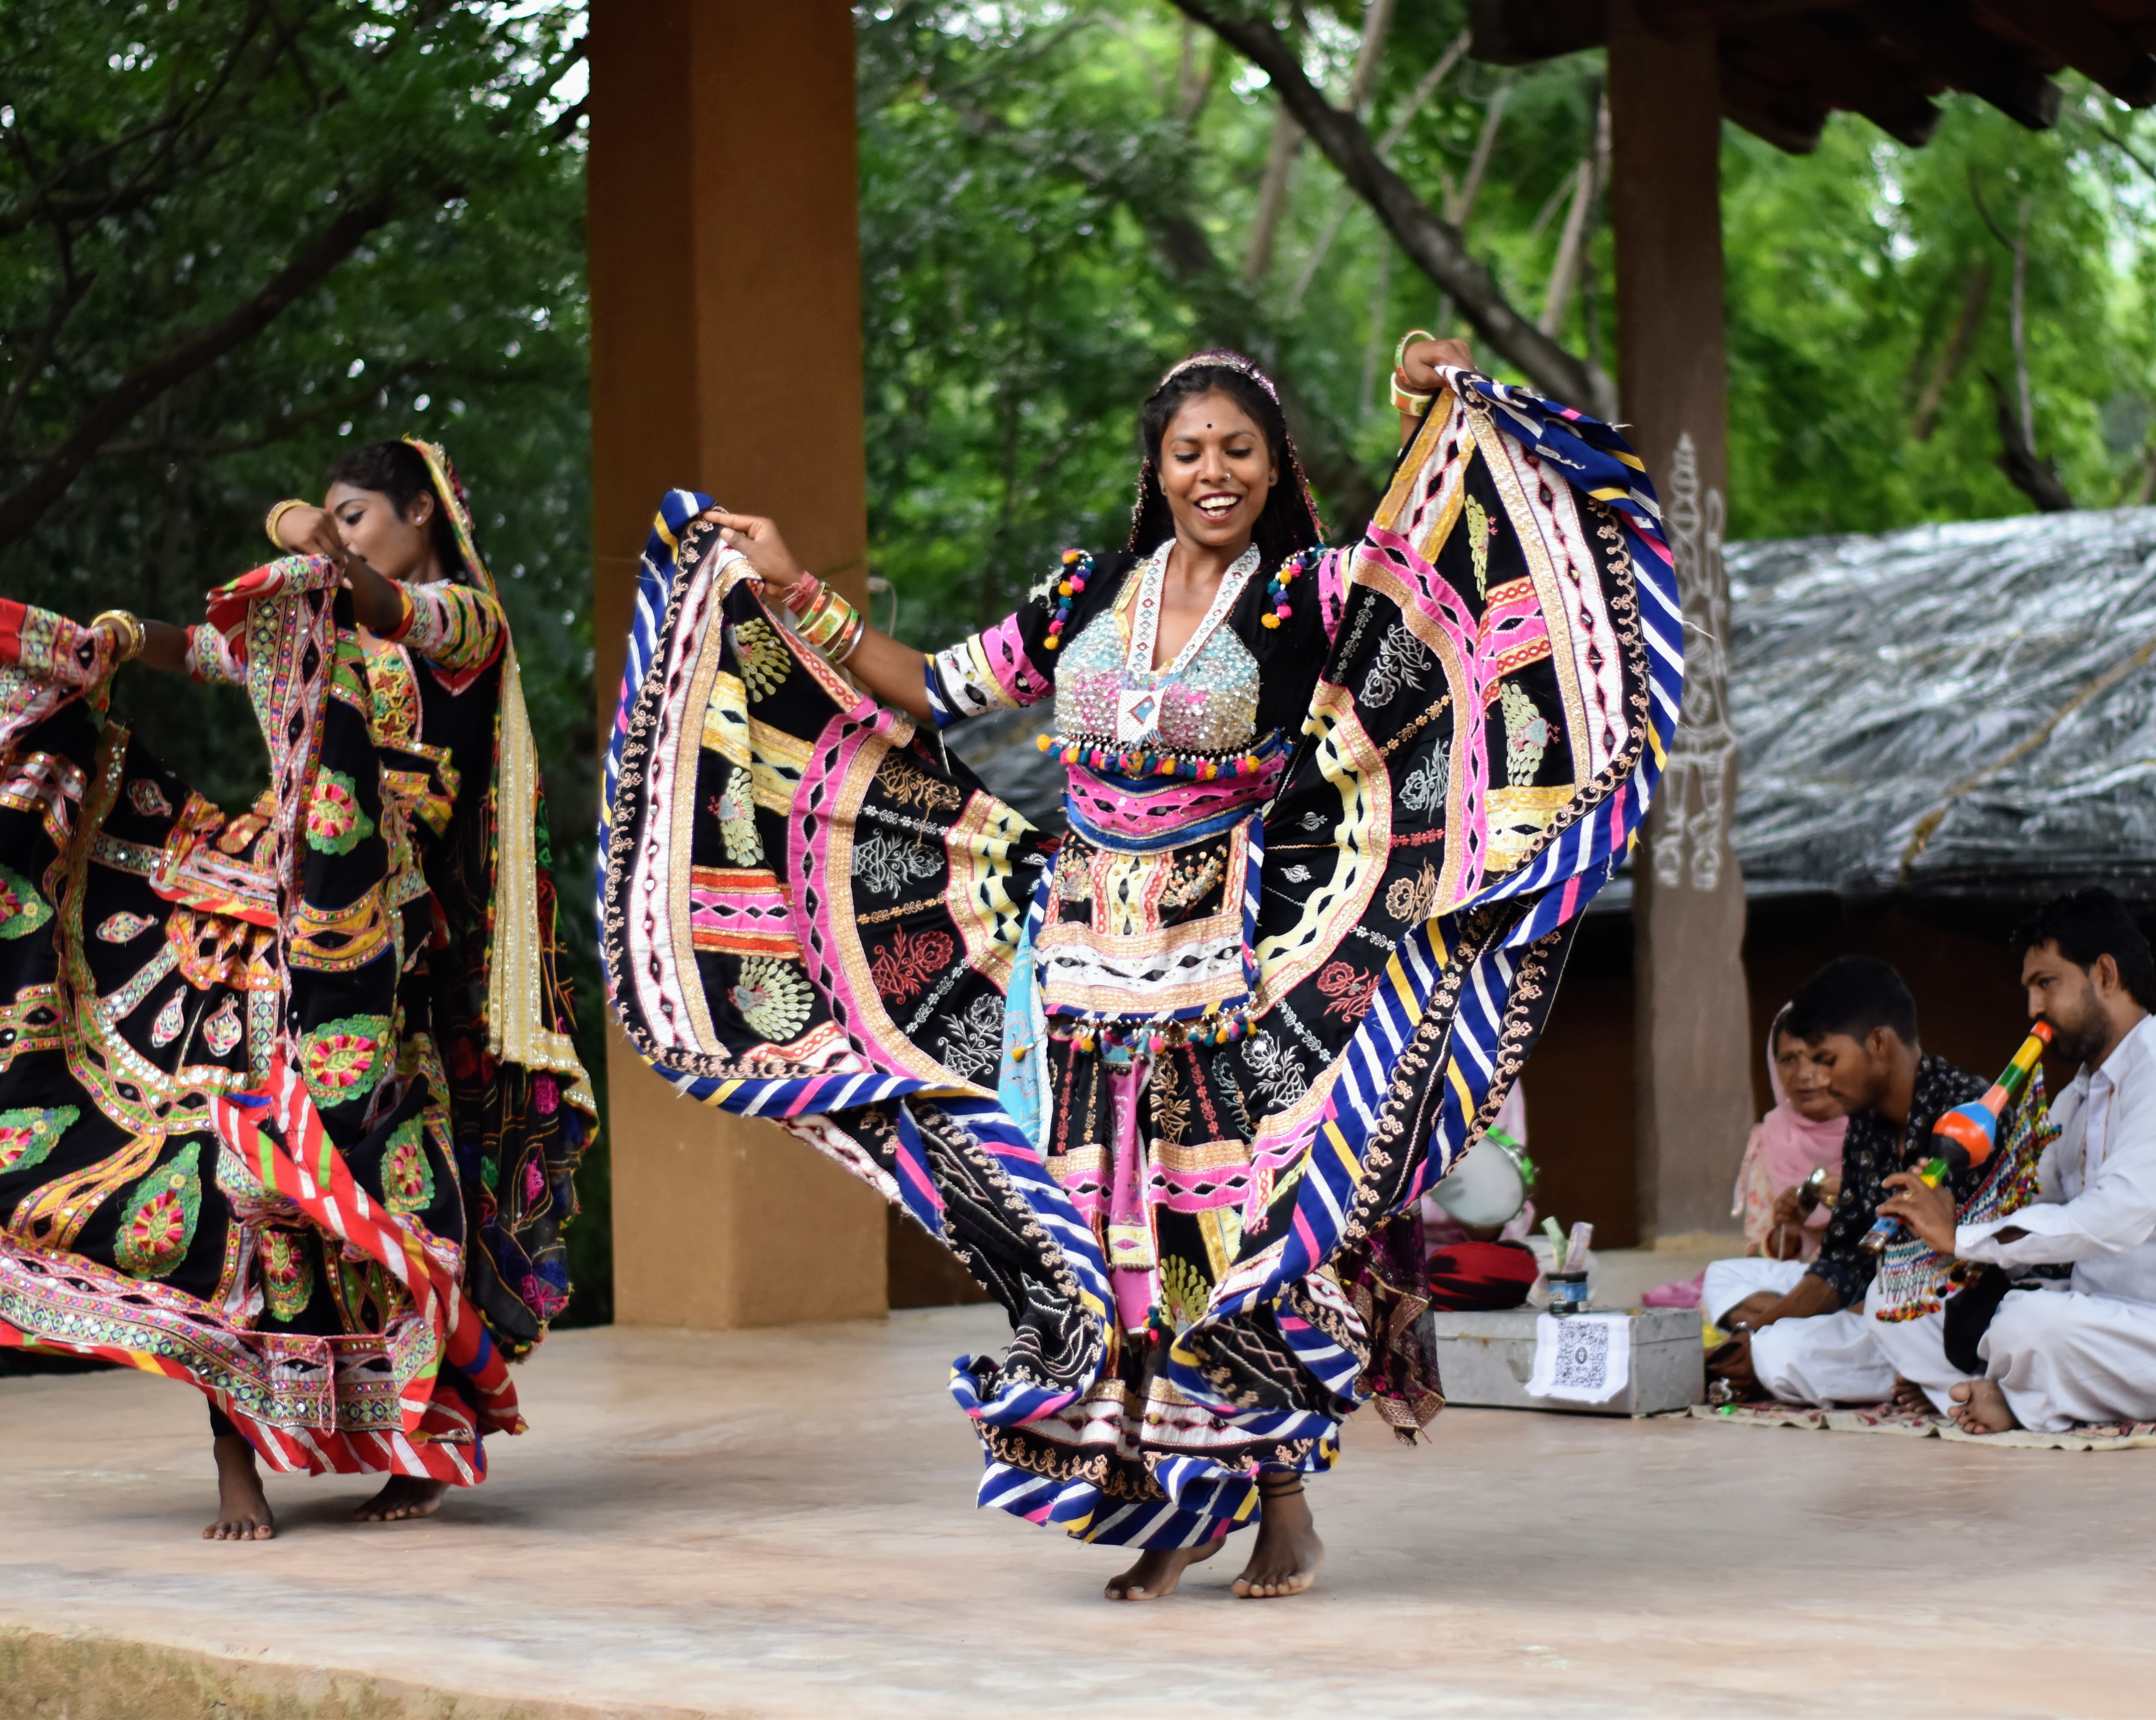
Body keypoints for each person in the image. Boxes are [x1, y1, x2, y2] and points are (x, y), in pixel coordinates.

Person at [594, 341, 1675, 1601]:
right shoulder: (1084, 593)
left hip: (1226, 977)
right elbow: (936, 688)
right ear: (1155, 466)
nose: (1213, 472)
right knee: (1105, 1258)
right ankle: (1167, 1505)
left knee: (1222, 1247)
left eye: (1238, 450)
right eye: (1189, 451)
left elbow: (1423, 587)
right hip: (1071, 970)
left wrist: (1422, 407)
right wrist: (793, 596)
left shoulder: (1307, 598)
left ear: (1273, 467)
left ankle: (1282, 1511)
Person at [0, 439, 598, 1539]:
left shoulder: (465, 619)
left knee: (389, 1197)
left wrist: (296, 531)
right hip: (280, 919)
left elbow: (363, 593)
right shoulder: (318, 624)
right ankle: (240, 1470)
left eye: (361, 513)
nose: (347, 533)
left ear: (423, 516)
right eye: (336, 515)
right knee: (232, 1176)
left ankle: (422, 1447)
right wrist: (130, 640)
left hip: (388, 946)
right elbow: (218, 652)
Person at [1876, 889, 2156, 1434]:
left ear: (2104, 975)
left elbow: (2110, 1220)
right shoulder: (2078, 1095)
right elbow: (2036, 1204)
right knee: (1892, 1293)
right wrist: (1955, 1218)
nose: (2032, 1010)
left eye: (2046, 984)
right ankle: (2002, 1392)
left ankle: (2008, 1395)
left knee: (2028, 1323)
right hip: (2101, 1317)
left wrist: (1962, 1236)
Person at [1705, 956, 1987, 1406]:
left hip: (1967, 1320)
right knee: (1777, 1349)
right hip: (1889, 1317)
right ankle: (1902, 1372)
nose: (1819, 1078)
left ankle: (1945, 1379)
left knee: (1879, 1307)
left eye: (1828, 1059)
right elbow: (1843, 1263)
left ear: (1878, 1042)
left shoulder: (1970, 1113)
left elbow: (1993, 1263)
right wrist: (1754, 1333)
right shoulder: (1866, 1126)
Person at [1733, 1005, 1847, 1261]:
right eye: (1789, 1059)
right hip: (1794, 1289)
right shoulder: (1771, 1141)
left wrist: (1856, 1203)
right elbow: (1754, 1259)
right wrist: (1787, 1234)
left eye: (1819, 1057)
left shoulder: (1882, 1132)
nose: (1805, 1075)